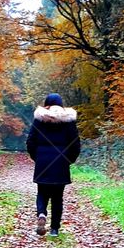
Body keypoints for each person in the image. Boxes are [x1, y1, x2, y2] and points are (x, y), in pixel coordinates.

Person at [25, 93, 81, 237]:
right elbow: (75, 144)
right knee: (58, 197)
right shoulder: (68, 121)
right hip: (61, 162)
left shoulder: (40, 120)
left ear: (47, 105)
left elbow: (30, 141)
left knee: (42, 192)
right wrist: (69, 160)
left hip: (43, 161)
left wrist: (37, 157)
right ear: (61, 105)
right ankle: (54, 229)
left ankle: (42, 213)